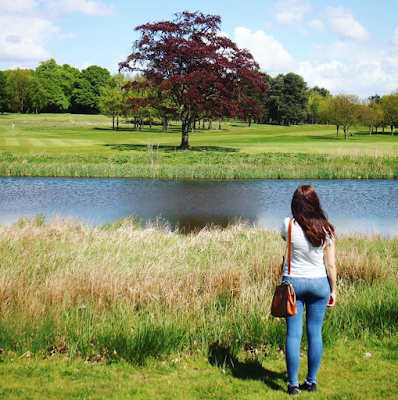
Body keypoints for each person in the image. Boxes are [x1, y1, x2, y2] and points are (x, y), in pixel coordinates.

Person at [281, 185, 336, 396]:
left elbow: (288, 244)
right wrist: (334, 290)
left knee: (293, 335)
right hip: (319, 283)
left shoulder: (287, 225)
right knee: (315, 334)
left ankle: (293, 385)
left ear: (295, 204)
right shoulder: (327, 229)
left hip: (293, 283)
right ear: (315, 203)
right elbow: (331, 266)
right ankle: (311, 382)